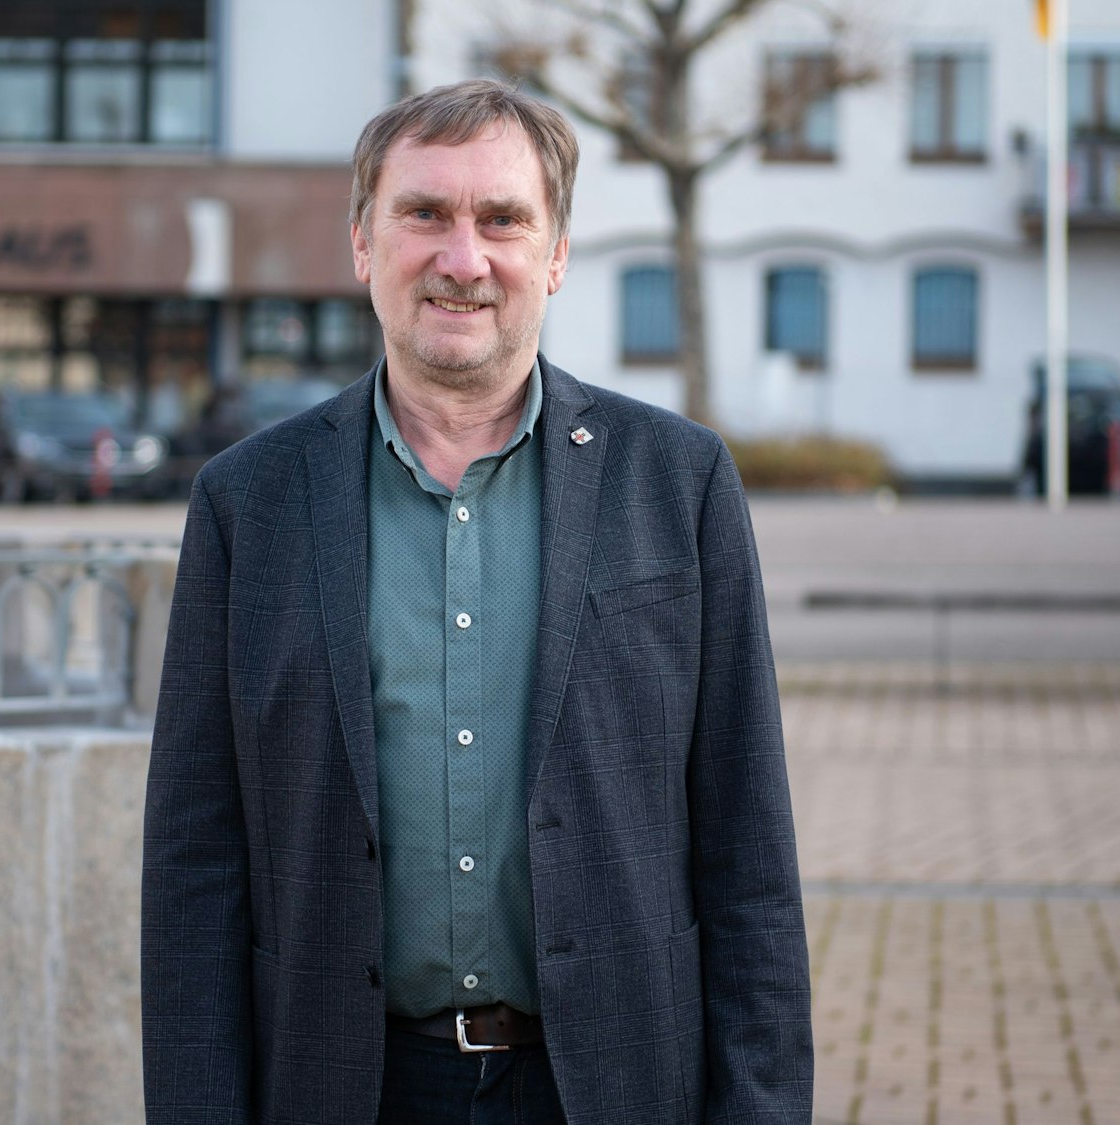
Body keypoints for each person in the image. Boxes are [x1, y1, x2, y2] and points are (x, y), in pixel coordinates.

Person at [142, 79, 810, 1124]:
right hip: (340, 1085)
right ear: (363, 242)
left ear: (553, 255)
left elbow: (748, 854)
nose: (463, 259)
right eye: (423, 214)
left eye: (501, 219)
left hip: (611, 1083)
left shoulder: (677, 485)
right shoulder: (247, 504)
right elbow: (194, 865)